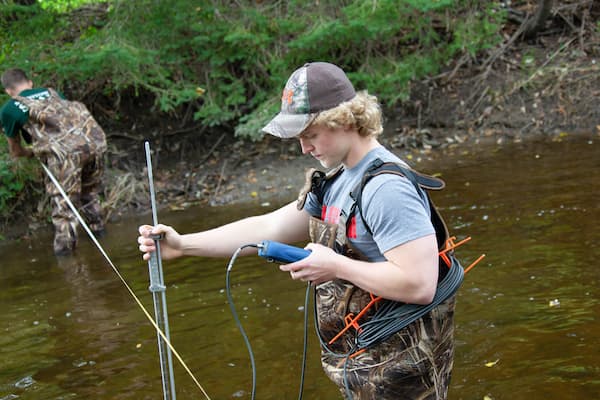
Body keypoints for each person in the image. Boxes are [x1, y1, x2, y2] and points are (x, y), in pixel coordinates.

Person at [137, 62, 458, 399]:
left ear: (346, 120)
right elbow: (268, 226)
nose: (303, 148)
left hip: (403, 377)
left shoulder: (387, 189)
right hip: (365, 368)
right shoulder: (339, 177)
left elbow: (420, 284)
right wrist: (183, 245)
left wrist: (335, 266)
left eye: (310, 134)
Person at [1, 68, 107, 255]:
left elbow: (15, 150)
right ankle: (102, 235)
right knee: (89, 194)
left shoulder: (10, 108)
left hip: (64, 156)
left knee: (64, 208)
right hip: (94, 144)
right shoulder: (53, 93)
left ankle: (67, 263)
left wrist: (30, 153)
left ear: (8, 91)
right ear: (30, 82)